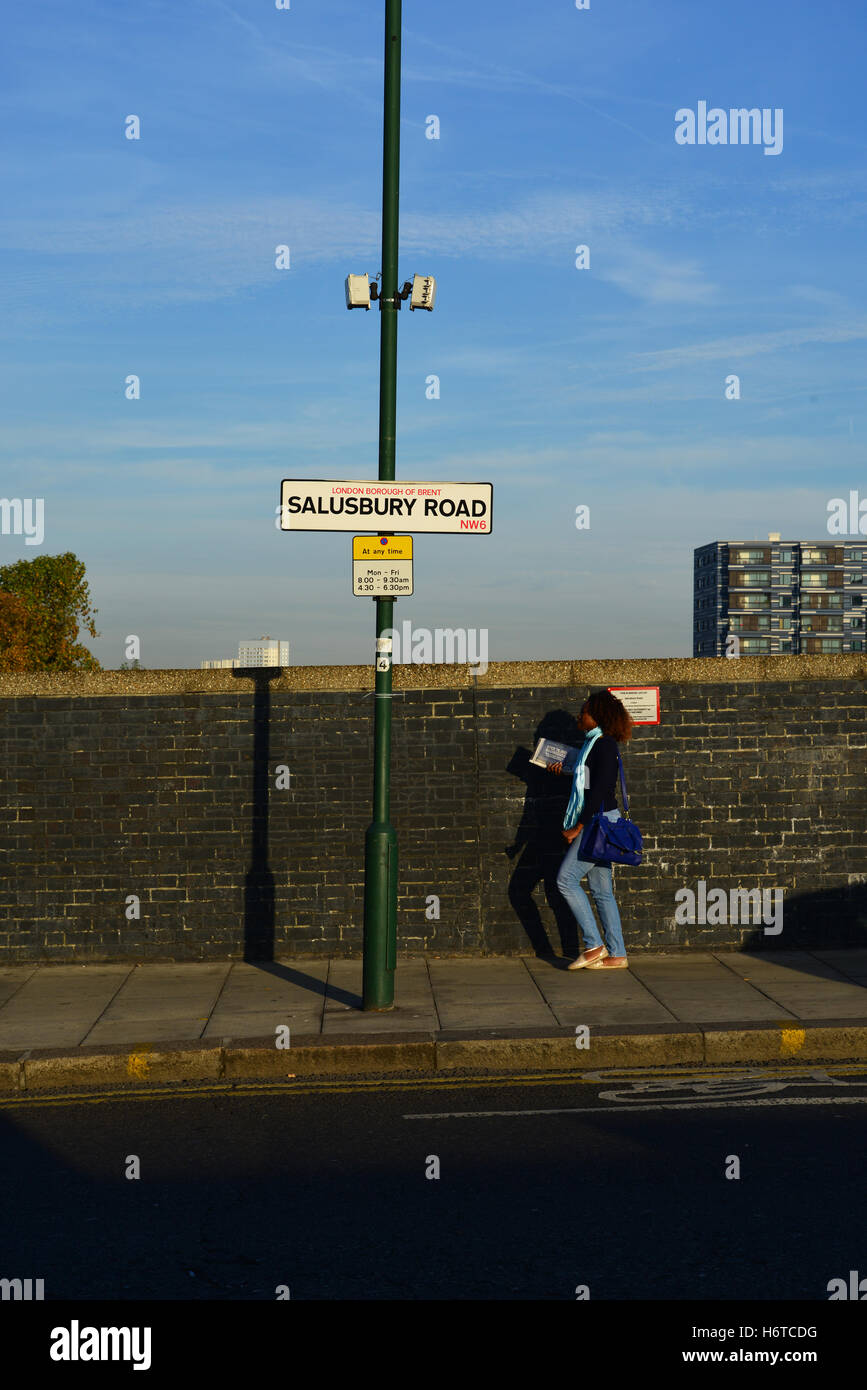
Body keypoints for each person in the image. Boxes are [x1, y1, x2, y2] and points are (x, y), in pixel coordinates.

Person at [548, 690, 634, 969]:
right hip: (599, 819)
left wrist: (578, 827)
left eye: (583, 712)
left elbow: (599, 790)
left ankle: (594, 945)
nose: (579, 716)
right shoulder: (591, 745)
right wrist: (565, 771)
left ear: (596, 716)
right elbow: (587, 780)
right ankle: (618, 954)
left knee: (565, 880)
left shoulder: (604, 745)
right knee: (601, 890)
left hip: (598, 821)